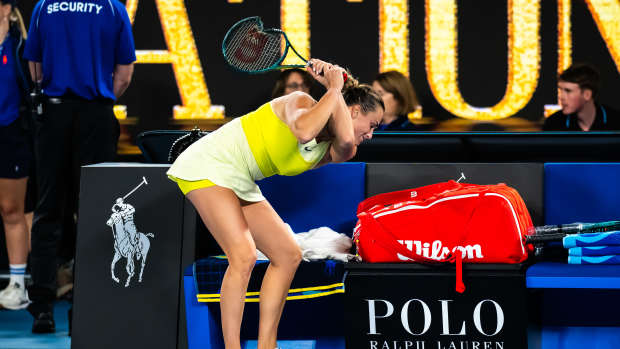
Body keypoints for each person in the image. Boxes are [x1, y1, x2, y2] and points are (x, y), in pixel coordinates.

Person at [167, 59, 383, 349]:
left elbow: (345, 139)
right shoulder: (299, 101)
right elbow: (304, 132)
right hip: (210, 163)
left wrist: (333, 89)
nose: (371, 135)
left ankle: (266, 344)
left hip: (240, 178)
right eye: (372, 125)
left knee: (288, 253)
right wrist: (333, 89)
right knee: (243, 256)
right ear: (353, 110)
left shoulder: (338, 149)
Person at [23, 0, 136, 333]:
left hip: (53, 115)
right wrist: (99, 103)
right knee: (95, 213)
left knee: (47, 211)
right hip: (96, 116)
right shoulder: (113, 8)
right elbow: (124, 75)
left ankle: (42, 309)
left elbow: (35, 69)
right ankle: (85, 310)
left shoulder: (45, 6)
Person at [0, 0, 32, 311]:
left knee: (12, 209)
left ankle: (18, 285)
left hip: (11, 135)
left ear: (7, 8)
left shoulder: (21, 46)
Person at [543, 63, 620, 131]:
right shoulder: (553, 124)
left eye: (568, 91)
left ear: (587, 94)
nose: (561, 97)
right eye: (560, 90)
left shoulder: (615, 122)